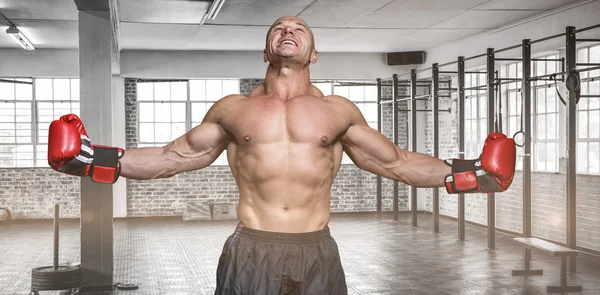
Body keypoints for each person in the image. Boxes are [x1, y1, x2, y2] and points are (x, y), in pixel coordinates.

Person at [47, 16, 516, 295]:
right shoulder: (233, 110)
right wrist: (91, 160)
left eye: (299, 29)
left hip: (316, 251)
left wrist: (472, 174)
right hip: (250, 249)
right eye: (279, 29)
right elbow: (174, 157)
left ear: (314, 54)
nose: (288, 32)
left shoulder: (339, 111)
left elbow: (397, 162)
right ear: (265, 50)